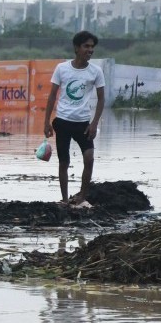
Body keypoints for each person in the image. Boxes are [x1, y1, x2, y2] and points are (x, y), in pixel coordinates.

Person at [43, 31, 106, 205]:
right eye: (86, 46)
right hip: (62, 121)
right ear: (77, 48)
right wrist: (46, 122)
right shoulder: (62, 68)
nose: (90, 50)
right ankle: (64, 199)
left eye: (92, 47)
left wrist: (94, 123)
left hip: (83, 124)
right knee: (64, 162)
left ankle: (81, 197)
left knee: (89, 158)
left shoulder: (96, 71)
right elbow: (52, 96)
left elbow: (101, 99)